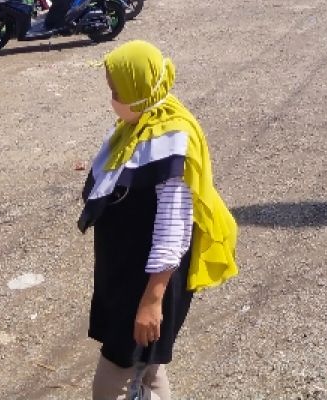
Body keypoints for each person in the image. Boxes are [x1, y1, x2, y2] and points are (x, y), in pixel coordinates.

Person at [79, 41, 238, 400]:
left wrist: (151, 301)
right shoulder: (138, 126)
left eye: (117, 91)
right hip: (127, 275)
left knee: (116, 371)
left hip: (149, 282)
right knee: (149, 370)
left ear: (139, 89)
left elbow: (174, 228)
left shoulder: (170, 141)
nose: (113, 99)